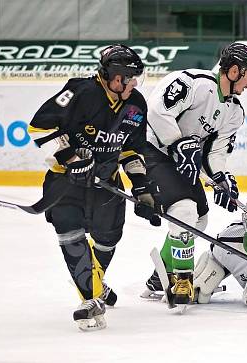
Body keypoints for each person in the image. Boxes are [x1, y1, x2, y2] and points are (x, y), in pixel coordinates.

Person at [27, 44, 159, 331]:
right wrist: (72, 159)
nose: (135, 83)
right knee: (71, 235)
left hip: (107, 184)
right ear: (114, 77)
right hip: (66, 183)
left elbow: (132, 150)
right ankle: (89, 298)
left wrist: (141, 187)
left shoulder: (135, 104)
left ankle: (95, 283)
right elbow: (40, 127)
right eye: (130, 77)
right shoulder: (80, 92)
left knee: (107, 239)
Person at [140, 43, 247, 307]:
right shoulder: (191, 83)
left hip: (181, 159)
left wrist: (221, 177)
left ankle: (158, 277)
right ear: (234, 71)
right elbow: (157, 112)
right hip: (153, 150)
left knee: (200, 219)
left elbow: (214, 152)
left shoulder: (234, 112)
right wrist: (177, 142)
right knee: (184, 211)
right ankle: (181, 279)